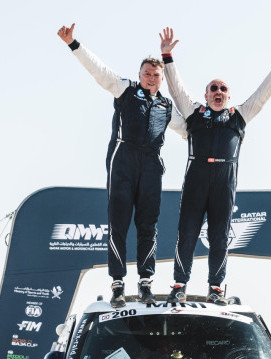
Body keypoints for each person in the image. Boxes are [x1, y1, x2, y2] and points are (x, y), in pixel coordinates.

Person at [58, 23, 187, 308]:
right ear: (139, 75)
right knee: (118, 225)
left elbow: (192, 131)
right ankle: (117, 284)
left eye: (156, 75)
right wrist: (73, 43)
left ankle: (145, 283)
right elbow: (99, 71)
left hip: (152, 165)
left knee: (148, 226)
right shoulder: (125, 90)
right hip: (123, 162)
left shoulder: (167, 107)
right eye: (147, 74)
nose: (151, 78)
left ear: (161, 79)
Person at [158, 28, 271, 305]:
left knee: (219, 238)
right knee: (187, 235)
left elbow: (261, 96)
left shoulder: (239, 116)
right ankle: (179, 284)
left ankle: (216, 289)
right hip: (196, 182)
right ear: (205, 95)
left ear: (228, 96)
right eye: (213, 88)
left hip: (224, 185)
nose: (218, 92)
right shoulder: (193, 113)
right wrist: (167, 57)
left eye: (223, 89)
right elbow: (177, 89)